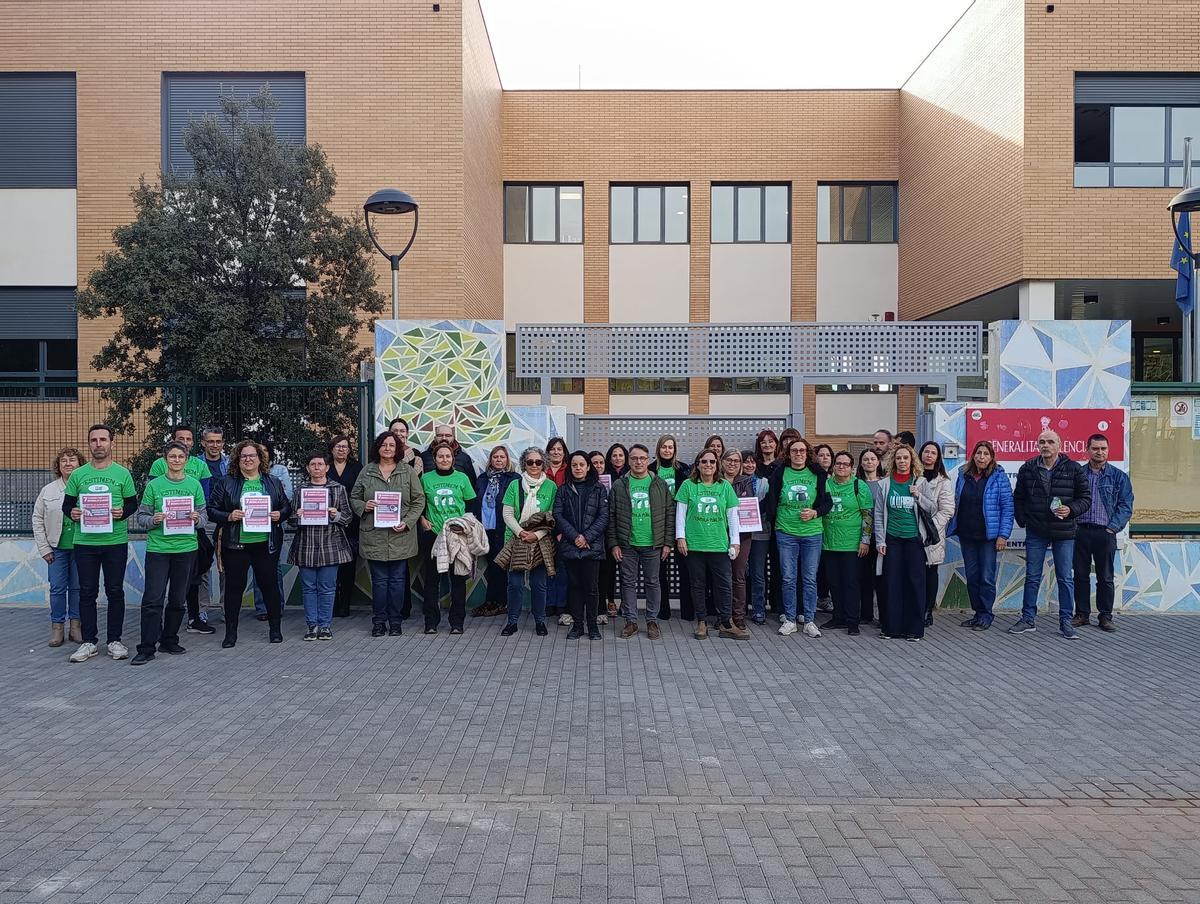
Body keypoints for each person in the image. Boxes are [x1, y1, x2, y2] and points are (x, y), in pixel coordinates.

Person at [62, 425, 138, 663]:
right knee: (87, 592)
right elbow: (67, 505)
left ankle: (115, 640)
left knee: (115, 591)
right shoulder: (78, 474)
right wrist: (72, 513)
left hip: (115, 541)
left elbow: (132, 504)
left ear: (111, 443)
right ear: (89, 444)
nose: (98, 444)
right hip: (84, 542)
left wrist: (121, 513)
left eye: (103, 439)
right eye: (94, 440)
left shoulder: (122, 474)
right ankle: (89, 642)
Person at [207, 440, 293, 648]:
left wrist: (278, 515)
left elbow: (286, 507)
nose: (248, 459)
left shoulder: (272, 481)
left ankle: (275, 630)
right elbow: (211, 509)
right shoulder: (227, 482)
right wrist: (229, 515)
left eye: (252, 456)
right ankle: (230, 633)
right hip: (236, 545)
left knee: (270, 587)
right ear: (237, 459)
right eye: (243, 456)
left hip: (265, 544)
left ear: (259, 459)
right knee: (234, 590)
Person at [1011, 430, 1091, 639]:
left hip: (1064, 531)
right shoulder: (1028, 468)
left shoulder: (1073, 469)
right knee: (1032, 576)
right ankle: (1028, 619)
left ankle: (1066, 621)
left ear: (1059, 445)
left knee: (1065, 578)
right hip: (1036, 530)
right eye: (1042, 442)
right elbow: (1018, 498)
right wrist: (1024, 520)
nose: (1045, 445)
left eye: (1050, 442)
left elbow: (1085, 498)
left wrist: (1071, 509)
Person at [132, 441, 207, 665]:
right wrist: (153, 520)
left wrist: (197, 519)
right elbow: (142, 517)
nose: (176, 460)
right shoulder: (154, 486)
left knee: (177, 599)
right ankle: (146, 647)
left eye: (180, 457)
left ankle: (169, 639)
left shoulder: (194, 485)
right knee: (153, 599)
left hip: (186, 549)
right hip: (159, 550)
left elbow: (204, 517)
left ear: (186, 460)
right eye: (172, 457)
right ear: (165, 460)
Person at [351, 430, 425, 637]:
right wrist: (365, 506)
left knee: (397, 582)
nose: (388, 448)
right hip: (374, 535)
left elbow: (419, 500)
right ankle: (378, 622)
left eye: (392, 445)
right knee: (380, 582)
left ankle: (395, 622)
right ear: (378, 447)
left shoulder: (407, 472)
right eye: (384, 444)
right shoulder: (367, 471)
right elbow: (354, 497)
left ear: (397, 448)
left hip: (400, 535)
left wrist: (407, 522)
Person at [675, 449, 745, 640]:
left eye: (712, 462)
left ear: (717, 465)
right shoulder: (688, 486)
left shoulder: (724, 487)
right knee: (698, 584)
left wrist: (735, 542)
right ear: (697, 464)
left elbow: (733, 517)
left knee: (724, 585)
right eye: (704, 461)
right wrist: (680, 537)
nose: (708, 465)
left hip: (719, 545)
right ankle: (701, 622)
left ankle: (725, 623)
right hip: (695, 544)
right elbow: (680, 514)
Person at [765, 436, 830, 638]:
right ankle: (790, 619)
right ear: (788, 453)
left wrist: (815, 513)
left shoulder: (818, 474)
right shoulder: (780, 473)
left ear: (807, 453)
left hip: (812, 533)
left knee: (810, 579)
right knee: (788, 578)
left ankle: (809, 620)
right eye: (794, 450)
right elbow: (771, 500)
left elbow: (827, 503)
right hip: (786, 532)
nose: (798, 454)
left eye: (802, 450)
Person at [608, 443, 673, 639]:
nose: (638, 462)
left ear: (648, 460)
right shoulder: (620, 485)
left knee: (653, 582)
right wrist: (614, 544)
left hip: (653, 544)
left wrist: (668, 543)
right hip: (627, 543)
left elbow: (669, 513)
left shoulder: (659, 484)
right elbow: (611, 516)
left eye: (642, 458)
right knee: (628, 583)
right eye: (634, 458)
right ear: (629, 461)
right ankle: (631, 621)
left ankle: (652, 621)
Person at [289, 449, 353, 641]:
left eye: (320, 464)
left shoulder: (338, 489)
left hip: (330, 544)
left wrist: (336, 515)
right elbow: (290, 521)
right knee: (308, 587)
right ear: (308, 468)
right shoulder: (300, 490)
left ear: (327, 467)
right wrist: (297, 515)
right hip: (306, 545)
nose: (317, 468)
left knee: (327, 587)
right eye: (313, 465)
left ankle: (325, 626)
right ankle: (311, 625)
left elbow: (348, 516)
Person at [948, 440, 1013, 632]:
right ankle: (977, 613)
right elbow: (957, 501)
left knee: (986, 577)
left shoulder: (999, 477)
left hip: (988, 536)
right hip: (967, 534)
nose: (981, 457)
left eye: (986, 454)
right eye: (978, 453)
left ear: (991, 457)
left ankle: (986, 614)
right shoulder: (964, 475)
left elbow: (1007, 508)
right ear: (973, 456)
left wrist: (1003, 535)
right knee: (973, 576)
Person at [1072, 434, 1133, 633]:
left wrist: (1112, 527)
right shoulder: (1078, 474)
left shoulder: (1118, 476)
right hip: (1080, 531)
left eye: (1103, 448)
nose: (1100, 452)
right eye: (1095, 448)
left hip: (1105, 533)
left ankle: (1105, 616)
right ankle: (1081, 614)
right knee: (1080, 575)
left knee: (1105, 577)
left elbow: (1125, 505)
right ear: (1087, 450)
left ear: (1108, 450)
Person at [876, 444, 936, 641]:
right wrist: (880, 540)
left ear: (912, 461)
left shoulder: (921, 482)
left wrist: (918, 495)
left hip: (913, 540)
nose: (902, 461)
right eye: (898, 458)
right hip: (892, 539)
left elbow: (932, 508)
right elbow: (878, 514)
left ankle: (914, 629)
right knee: (892, 583)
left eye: (905, 458)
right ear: (893, 461)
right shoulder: (885, 484)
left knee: (915, 583)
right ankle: (891, 628)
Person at [419, 440, 478, 634]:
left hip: (457, 536)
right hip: (434, 535)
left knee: (458, 580)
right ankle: (430, 622)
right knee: (432, 581)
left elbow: (471, 506)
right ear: (434, 459)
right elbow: (418, 503)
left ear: (453, 459)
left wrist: (465, 525)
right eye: (440, 456)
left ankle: (457, 622)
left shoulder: (462, 478)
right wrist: (421, 519)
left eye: (448, 456)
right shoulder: (426, 479)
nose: (444, 459)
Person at [500, 446, 558, 636]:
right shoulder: (514, 485)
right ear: (524, 463)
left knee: (538, 584)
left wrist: (537, 534)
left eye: (538, 462)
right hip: (516, 540)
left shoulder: (551, 486)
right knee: (514, 584)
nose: (534, 465)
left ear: (544, 464)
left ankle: (540, 621)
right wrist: (520, 532)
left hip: (540, 541)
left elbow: (552, 515)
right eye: (530, 462)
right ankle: (512, 622)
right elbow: (507, 513)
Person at [553, 451, 609, 640]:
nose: (578, 468)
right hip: (570, 546)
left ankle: (593, 626)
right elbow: (558, 515)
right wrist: (575, 536)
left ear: (588, 467)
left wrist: (586, 537)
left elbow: (603, 517)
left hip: (591, 548)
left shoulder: (599, 489)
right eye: (574, 465)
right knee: (574, 586)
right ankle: (577, 626)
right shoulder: (563, 489)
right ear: (570, 467)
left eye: (582, 465)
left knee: (591, 588)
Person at [818, 451, 874, 635]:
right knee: (834, 582)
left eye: (846, 464)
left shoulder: (859, 486)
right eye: (838, 463)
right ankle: (838, 616)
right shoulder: (825, 484)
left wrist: (865, 541)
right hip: (829, 543)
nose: (841, 467)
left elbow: (867, 514)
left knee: (851, 583)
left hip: (852, 544)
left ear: (852, 467)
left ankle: (852, 620)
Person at [33, 446, 83, 647]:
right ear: (58, 466)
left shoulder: (86, 486)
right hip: (56, 549)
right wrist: (44, 548)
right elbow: (37, 519)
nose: (68, 464)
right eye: (64, 461)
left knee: (78, 588)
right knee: (57, 588)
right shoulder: (49, 490)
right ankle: (57, 628)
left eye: (72, 460)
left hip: (82, 547)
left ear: (80, 464)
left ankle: (76, 627)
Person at [473, 445, 518, 617]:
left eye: (502, 457)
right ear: (491, 459)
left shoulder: (513, 478)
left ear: (507, 460)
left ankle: (498, 602)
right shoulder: (482, 478)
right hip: (486, 529)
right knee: (492, 566)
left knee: (500, 565)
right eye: (495, 457)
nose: (499, 460)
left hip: (504, 528)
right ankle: (493, 602)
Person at [650, 434, 692, 621]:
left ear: (675, 449)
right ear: (658, 449)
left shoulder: (683, 469)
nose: (667, 450)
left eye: (670, 447)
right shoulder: (651, 470)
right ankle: (663, 609)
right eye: (664, 447)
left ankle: (687, 611)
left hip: (681, 523)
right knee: (660, 569)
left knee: (685, 568)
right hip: (659, 524)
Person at [251, 439, 292, 620]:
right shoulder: (247, 474)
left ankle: (277, 606)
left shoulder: (279, 471)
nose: (262, 454)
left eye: (265, 450)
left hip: (273, 525)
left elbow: (287, 496)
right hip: (251, 527)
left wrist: (272, 509)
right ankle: (261, 608)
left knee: (274, 568)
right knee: (257, 569)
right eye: (258, 451)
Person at [916, 441, 956, 628]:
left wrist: (931, 527)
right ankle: (914, 608)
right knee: (914, 573)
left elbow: (947, 510)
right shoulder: (913, 476)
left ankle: (927, 611)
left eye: (933, 452)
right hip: (911, 532)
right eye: (926, 452)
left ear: (938, 457)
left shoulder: (943, 482)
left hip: (932, 535)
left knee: (930, 572)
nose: (929, 455)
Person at [326, 434, 363, 618]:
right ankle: (331, 604)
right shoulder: (325, 467)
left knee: (348, 565)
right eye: (338, 446)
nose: (341, 449)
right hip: (327, 523)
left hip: (351, 521)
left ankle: (344, 604)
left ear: (349, 450)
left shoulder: (357, 468)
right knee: (331, 565)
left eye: (345, 446)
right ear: (331, 449)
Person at [722, 449, 755, 634]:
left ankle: (738, 616)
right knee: (721, 577)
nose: (732, 463)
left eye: (736, 461)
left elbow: (750, 507)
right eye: (729, 460)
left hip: (743, 535)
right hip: (718, 534)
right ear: (722, 461)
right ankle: (723, 616)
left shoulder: (746, 482)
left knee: (739, 576)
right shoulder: (716, 481)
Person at [752, 429, 782, 617]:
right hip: (759, 523)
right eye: (763, 442)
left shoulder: (782, 466)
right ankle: (759, 607)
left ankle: (778, 606)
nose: (767, 445)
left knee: (778, 566)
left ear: (776, 444)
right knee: (758, 569)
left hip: (779, 522)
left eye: (771, 441)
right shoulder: (755, 466)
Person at [856, 449, 888, 627]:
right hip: (861, 538)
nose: (869, 462)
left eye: (872, 459)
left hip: (880, 537)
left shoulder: (885, 483)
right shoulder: (856, 484)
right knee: (864, 577)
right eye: (865, 459)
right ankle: (865, 614)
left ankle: (883, 616)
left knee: (881, 577)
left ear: (878, 462)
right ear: (861, 463)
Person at [741, 450, 771, 625]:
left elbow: (767, 505)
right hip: (741, 534)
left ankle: (759, 609)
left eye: (752, 462)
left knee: (758, 572)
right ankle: (740, 608)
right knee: (740, 573)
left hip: (761, 533)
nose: (749, 465)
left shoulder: (764, 483)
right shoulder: (735, 483)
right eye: (746, 462)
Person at [812, 443, 835, 613]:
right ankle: (820, 598)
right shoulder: (813, 477)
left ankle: (827, 598)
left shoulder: (837, 478)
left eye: (828, 455)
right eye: (821, 455)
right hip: (817, 527)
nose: (825, 457)